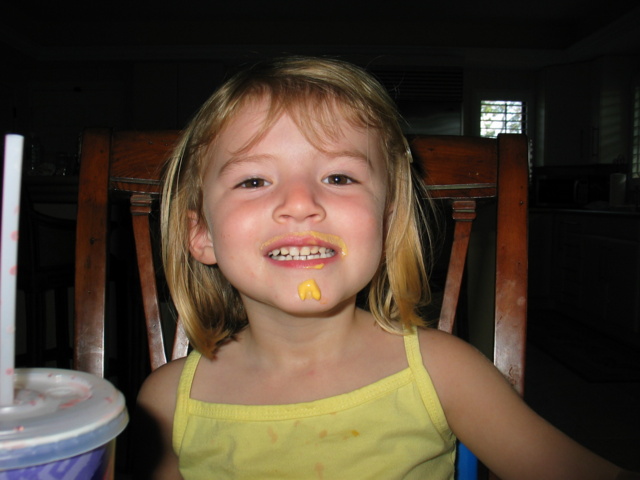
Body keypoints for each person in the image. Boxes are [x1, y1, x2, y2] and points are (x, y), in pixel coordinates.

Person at [136, 56, 639, 480]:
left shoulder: (445, 374)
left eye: (338, 175)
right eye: (252, 181)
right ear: (201, 235)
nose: (300, 203)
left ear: (388, 220)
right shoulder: (166, 403)